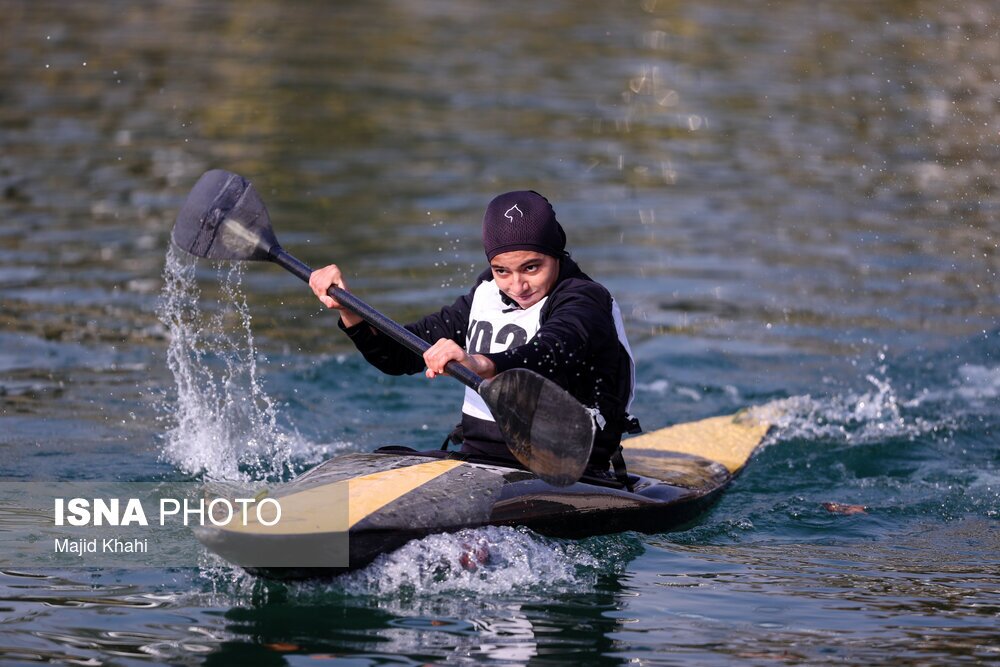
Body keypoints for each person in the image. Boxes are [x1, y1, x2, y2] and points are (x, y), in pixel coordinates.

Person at [309, 191, 638, 479]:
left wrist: (479, 362)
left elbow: (552, 351)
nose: (517, 285)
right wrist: (347, 309)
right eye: (502, 270)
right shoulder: (485, 294)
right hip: (477, 460)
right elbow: (398, 356)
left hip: (565, 469)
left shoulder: (584, 300)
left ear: (556, 253)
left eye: (531, 267)